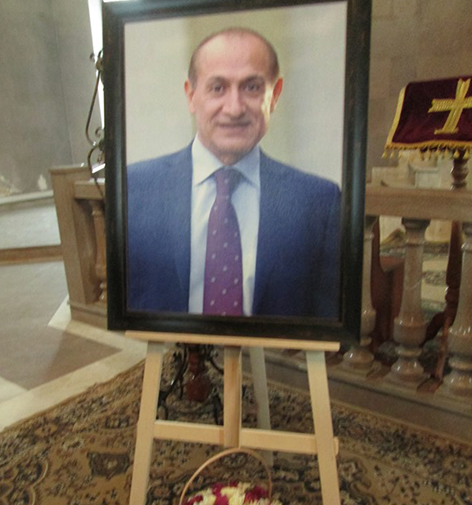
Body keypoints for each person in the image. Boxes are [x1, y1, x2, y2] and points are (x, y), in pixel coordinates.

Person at [127, 27, 340, 318]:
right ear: (191, 96)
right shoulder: (134, 190)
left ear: (275, 95)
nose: (234, 108)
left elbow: (325, 321)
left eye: (251, 87)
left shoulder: (319, 202)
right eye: (217, 88)